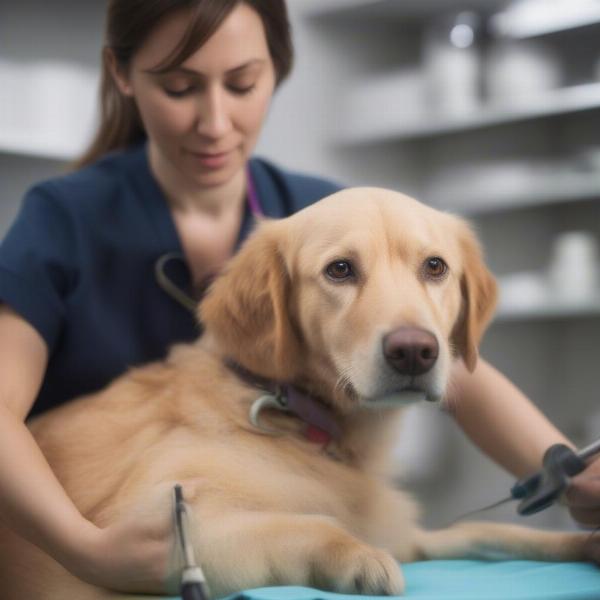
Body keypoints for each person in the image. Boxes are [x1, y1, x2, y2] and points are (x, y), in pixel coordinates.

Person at [0, 0, 597, 594]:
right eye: (180, 86)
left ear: (276, 71)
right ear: (123, 75)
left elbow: (462, 370)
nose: (215, 120)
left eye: (242, 83)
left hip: (320, 452)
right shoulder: (64, 219)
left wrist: (571, 472)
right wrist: (86, 550)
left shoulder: (326, 209)